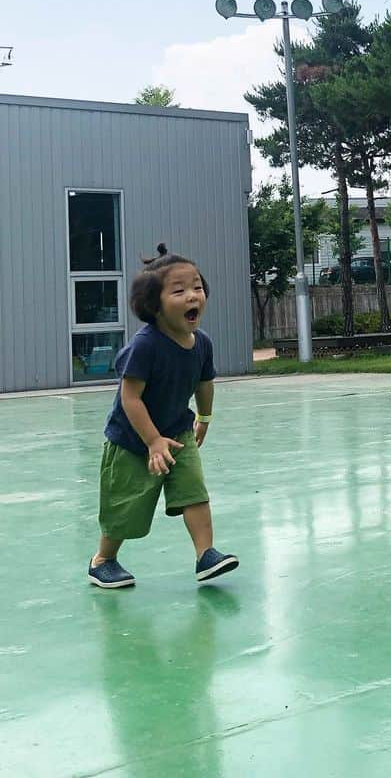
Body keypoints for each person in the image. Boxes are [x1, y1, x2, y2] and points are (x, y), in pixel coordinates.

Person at [88, 244, 239, 588]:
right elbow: (130, 398)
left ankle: (206, 555)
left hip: (177, 431)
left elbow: (204, 382)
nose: (192, 296)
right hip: (132, 440)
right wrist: (152, 441)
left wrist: (205, 417)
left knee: (193, 492)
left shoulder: (202, 343)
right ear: (154, 306)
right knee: (124, 508)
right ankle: (103, 560)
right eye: (180, 290)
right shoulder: (145, 346)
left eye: (197, 287)